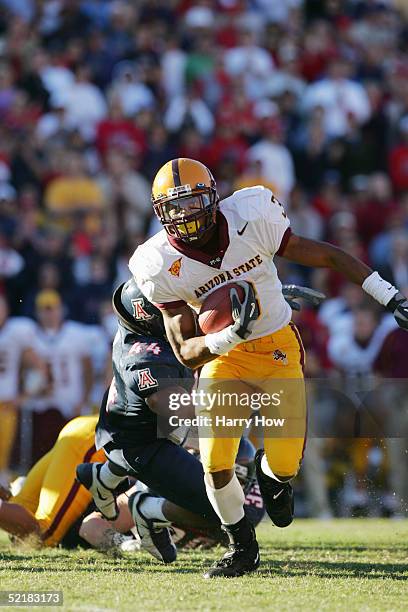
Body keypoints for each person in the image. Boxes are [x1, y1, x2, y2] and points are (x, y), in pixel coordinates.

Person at [128, 157, 408, 578]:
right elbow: (186, 351)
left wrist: (390, 296)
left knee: (286, 465)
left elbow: (328, 256)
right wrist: (230, 336)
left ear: (214, 198)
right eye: (175, 207)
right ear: (159, 211)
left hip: (278, 349)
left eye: (193, 202)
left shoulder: (250, 214)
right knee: (216, 463)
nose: (185, 215)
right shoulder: (157, 262)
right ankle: (242, 548)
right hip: (223, 359)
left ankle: (269, 474)